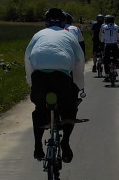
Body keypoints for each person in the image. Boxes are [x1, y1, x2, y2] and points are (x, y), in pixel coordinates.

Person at [24, 8, 85, 163]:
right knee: (69, 109)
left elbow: (28, 58)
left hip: (39, 76)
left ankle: (38, 146)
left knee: (39, 110)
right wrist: (79, 85)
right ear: (64, 23)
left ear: (46, 23)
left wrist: (31, 84)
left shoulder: (38, 34)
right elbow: (79, 61)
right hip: (61, 76)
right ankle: (65, 142)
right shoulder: (69, 35)